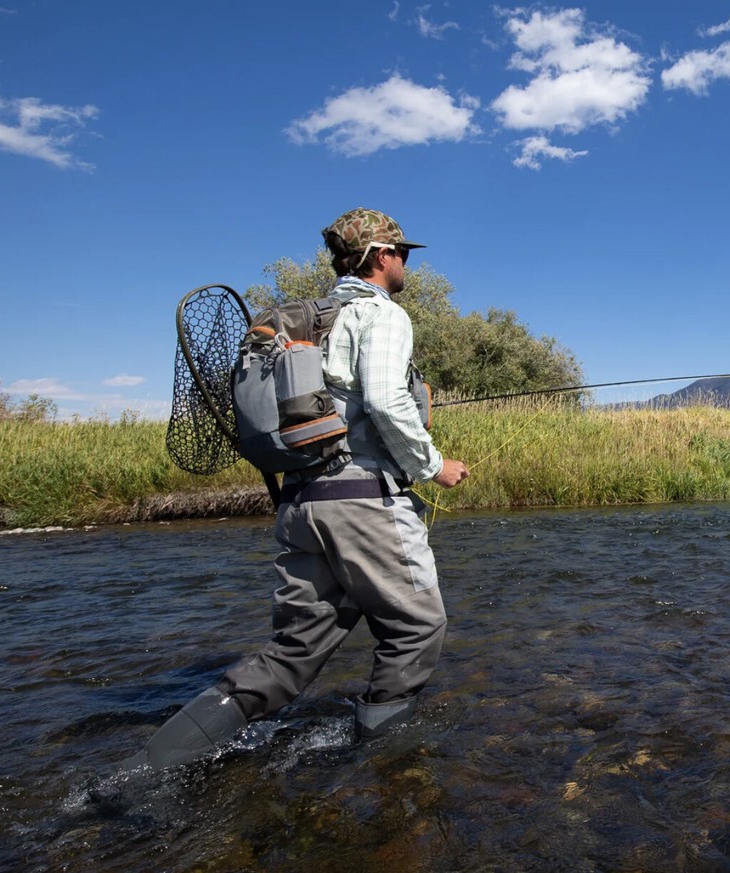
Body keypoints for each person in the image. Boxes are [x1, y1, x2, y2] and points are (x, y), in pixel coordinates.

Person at [120, 207, 469, 773]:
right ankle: (383, 770)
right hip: (362, 503)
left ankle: (145, 769)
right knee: (417, 627)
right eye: (402, 253)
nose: (406, 263)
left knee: (294, 651)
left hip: (302, 504)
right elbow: (384, 400)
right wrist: (432, 466)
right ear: (382, 256)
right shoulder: (379, 314)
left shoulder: (307, 323)